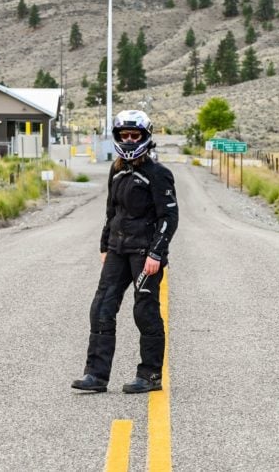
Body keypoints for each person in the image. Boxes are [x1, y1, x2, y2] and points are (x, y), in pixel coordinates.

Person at [72, 110, 179, 394]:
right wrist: (105, 245)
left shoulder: (158, 174)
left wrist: (156, 254)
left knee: (145, 311)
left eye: (135, 135)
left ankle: (150, 375)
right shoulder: (117, 169)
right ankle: (96, 374)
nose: (129, 140)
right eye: (124, 135)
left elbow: (169, 218)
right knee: (101, 308)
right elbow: (111, 211)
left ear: (145, 137)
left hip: (145, 254)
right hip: (118, 250)